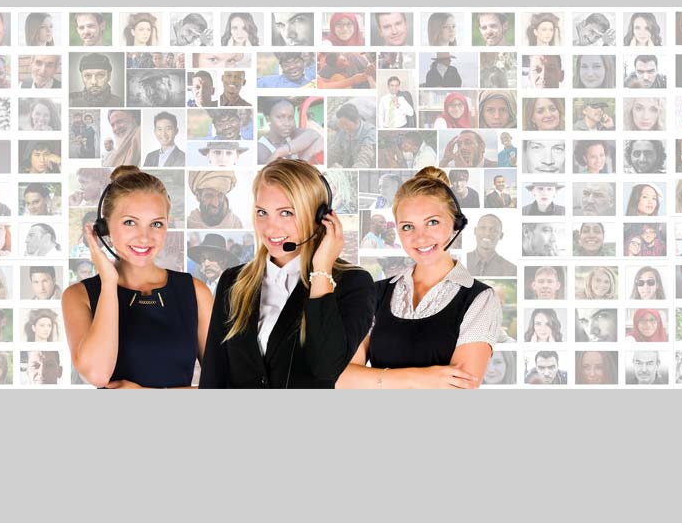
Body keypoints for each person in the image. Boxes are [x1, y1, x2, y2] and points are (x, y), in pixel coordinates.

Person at [200, 159, 374, 388]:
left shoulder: (353, 283)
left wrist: (321, 270)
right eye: (262, 212)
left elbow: (327, 368)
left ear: (320, 217)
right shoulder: (234, 281)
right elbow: (214, 375)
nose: (271, 228)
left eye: (286, 213)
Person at [338, 166, 500, 389]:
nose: (420, 238)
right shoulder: (374, 293)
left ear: (455, 224)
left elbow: (459, 389)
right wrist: (425, 377)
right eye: (407, 227)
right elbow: (341, 379)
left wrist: (376, 379)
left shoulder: (479, 299)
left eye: (432, 222)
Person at [61, 166, 213, 388]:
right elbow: (97, 374)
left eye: (156, 224)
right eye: (130, 222)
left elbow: (224, 385)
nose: (144, 237)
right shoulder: (78, 296)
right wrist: (109, 283)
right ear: (104, 227)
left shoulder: (195, 292)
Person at [257, 98, 322, 164]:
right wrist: (306, 157)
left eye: (290, 117)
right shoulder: (260, 148)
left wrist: (280, 152)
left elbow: (314, 134)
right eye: (280, 117)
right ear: (268, 119)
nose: (287, 123)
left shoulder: (292, 135)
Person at [330, 101, 376, 169]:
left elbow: (363, 161)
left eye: (346, 124)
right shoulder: (343, 130)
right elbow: (334, 152)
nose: (343, 127)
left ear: (357, 120)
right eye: (341, 124)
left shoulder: (370, 132)